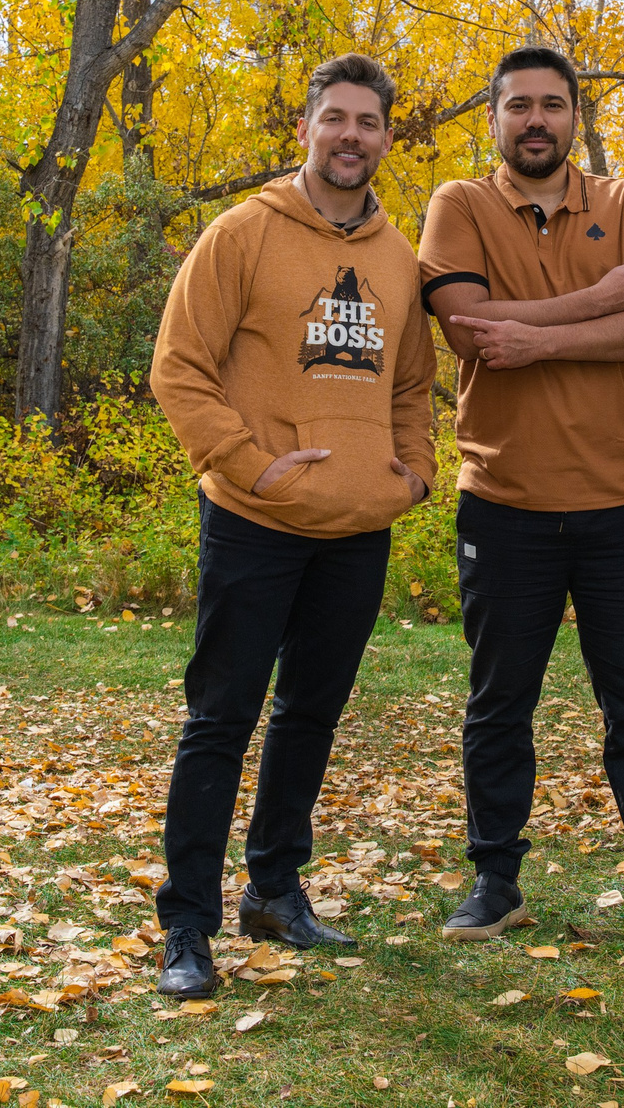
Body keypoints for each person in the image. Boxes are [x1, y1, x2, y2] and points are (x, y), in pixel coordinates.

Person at [145, 53, 437, 999]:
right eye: (335, 118)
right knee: (220, 718)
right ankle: (187, 925)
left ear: (388, 137)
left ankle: (274, 889)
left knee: (310, 711)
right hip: (255, 520)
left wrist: (415, 474)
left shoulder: (399, 260)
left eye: (369, 122)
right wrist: (249, 464)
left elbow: (414, 384)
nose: (351, 135)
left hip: (358, 524)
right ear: (305, 129)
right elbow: (179, 367)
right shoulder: (242, 235)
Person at [418, 46, 624, 949]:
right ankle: (495, 879)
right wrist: (599, 297)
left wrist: (533, 334)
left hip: (621, 499)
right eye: (517, 106)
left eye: (552, 105)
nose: (535, 119)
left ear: (576, 117)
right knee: (499, 701)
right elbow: (465, 324)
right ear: (493, 118)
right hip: (503, 500)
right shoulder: (458, 205)